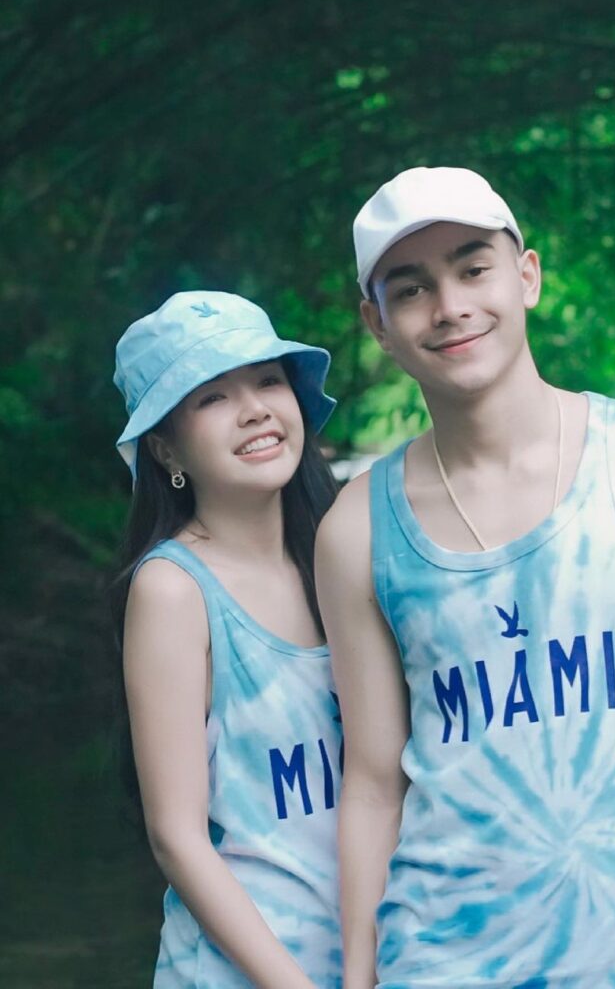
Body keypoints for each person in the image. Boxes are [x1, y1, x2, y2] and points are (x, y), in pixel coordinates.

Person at [315, 168, 615, 988]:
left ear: (527, 277)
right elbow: (373, 783)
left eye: (473, 269)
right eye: (411, 289)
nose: (450, 307)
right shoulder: (354, 531)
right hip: (435, 961)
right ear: (377, 324)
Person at [111, 290, 342, 988]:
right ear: (166, 448)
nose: (254, 410)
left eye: (268, 380)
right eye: (212, 397)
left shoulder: (341, 555)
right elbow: (177, 839)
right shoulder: (173, 590)